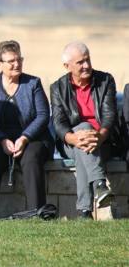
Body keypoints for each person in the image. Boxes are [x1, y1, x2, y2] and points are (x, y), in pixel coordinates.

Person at [0, 40, 54, 217]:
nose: (16, 64)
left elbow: (43, 115)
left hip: (32, 137)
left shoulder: (33, 83)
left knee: (32, 158)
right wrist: (2, 139)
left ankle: (38, 214)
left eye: (19, 59)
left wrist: (25, 137)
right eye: (11, 61)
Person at [50, 41, 116, 219]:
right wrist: (72, 138)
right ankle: (99, 185)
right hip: (70, 143)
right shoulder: (57, 88)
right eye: (80, 62)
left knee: (83, 149)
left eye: (87, 60)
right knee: (83, 132)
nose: (86, 65)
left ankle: (84, 211)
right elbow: (58, 121)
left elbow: (109, 115)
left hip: (101, 141)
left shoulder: (105, 80)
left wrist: (100, 136)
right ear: (67, 66)